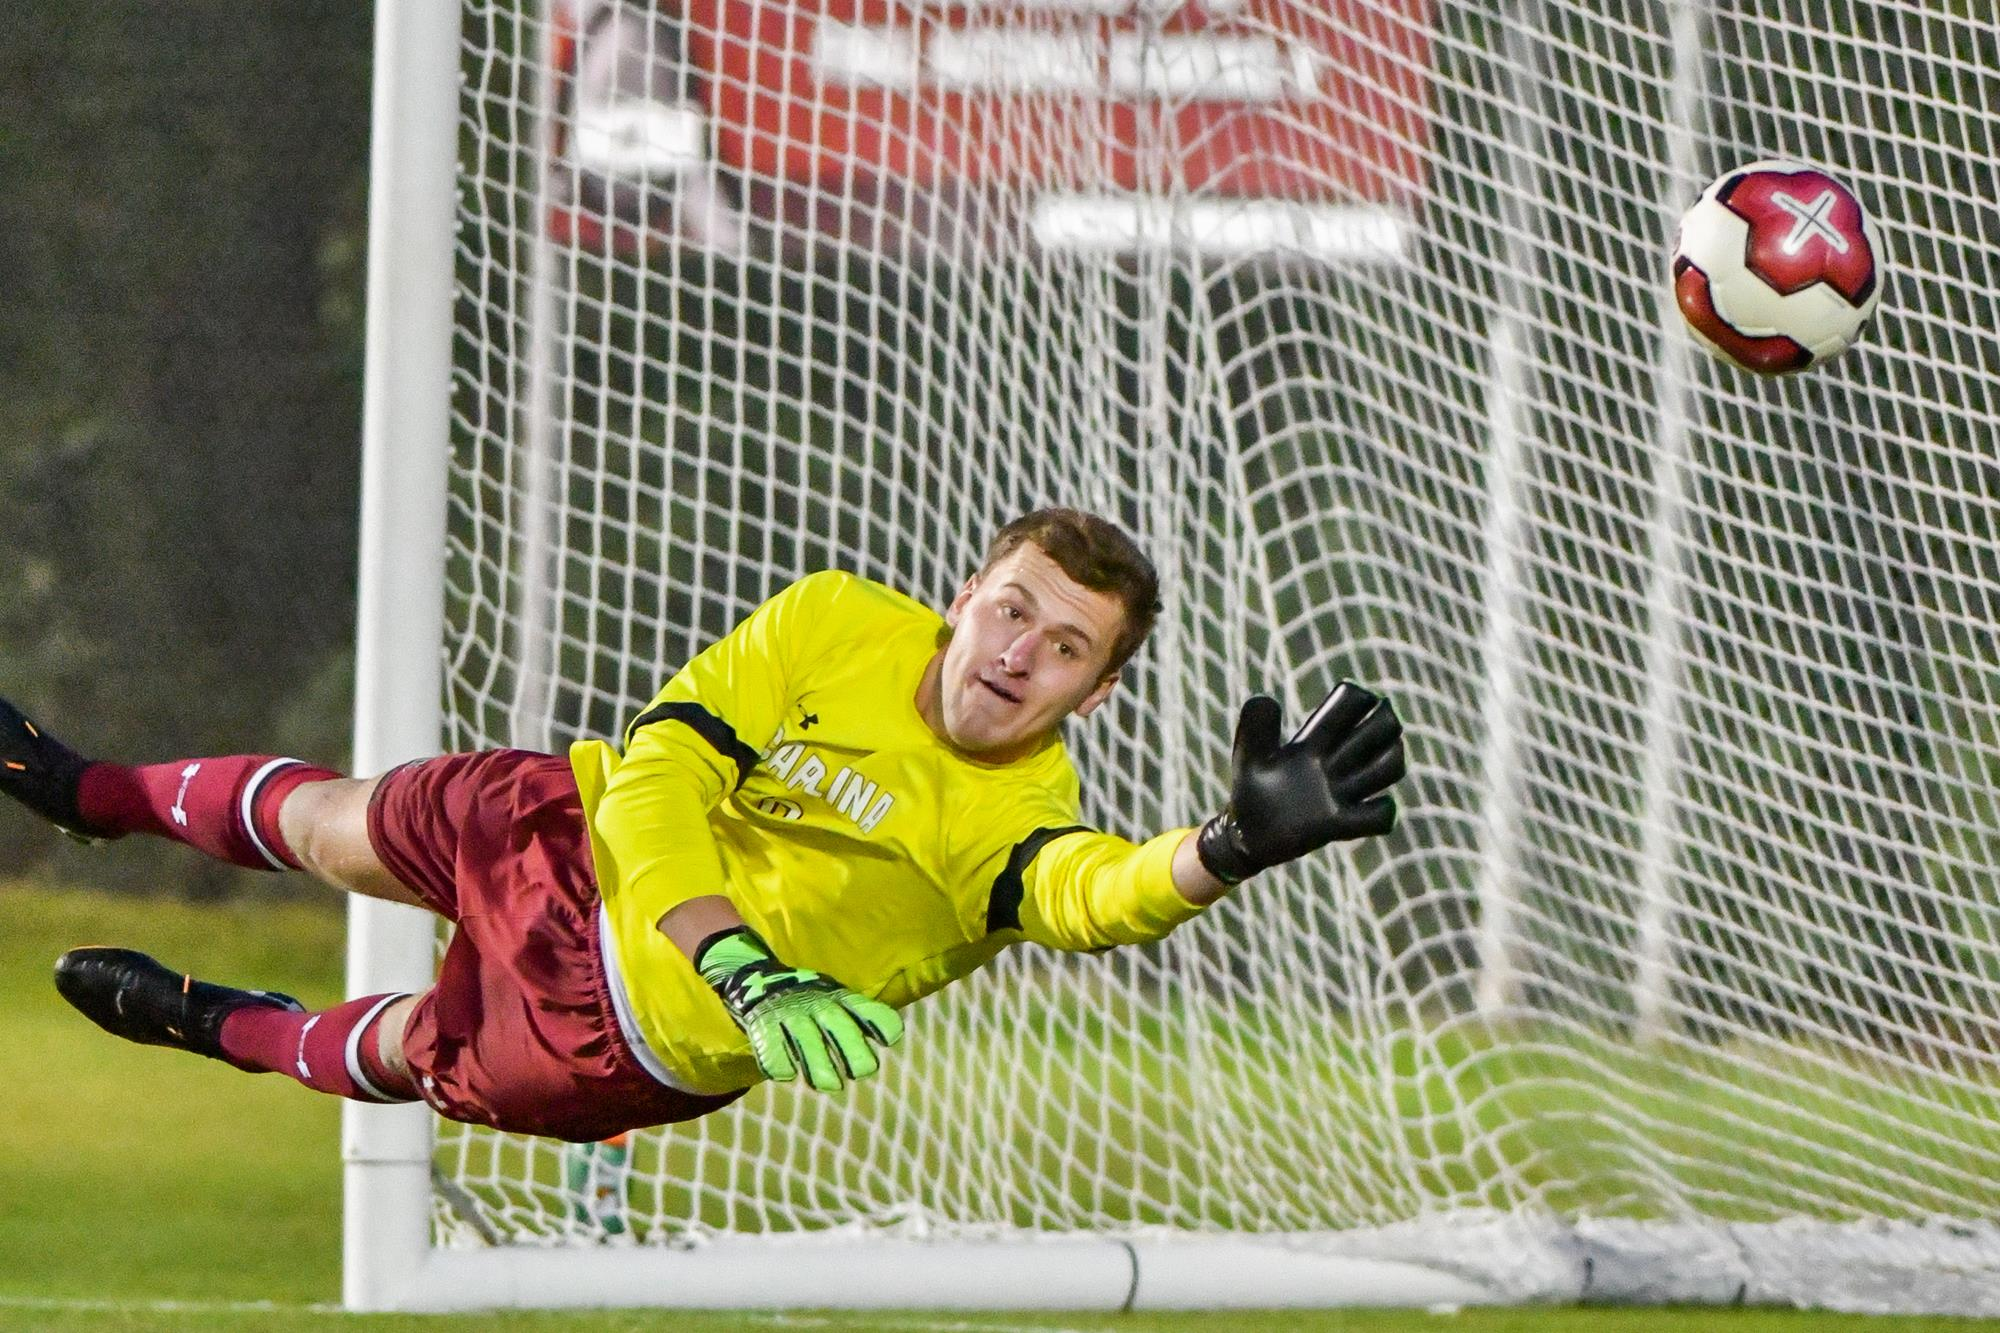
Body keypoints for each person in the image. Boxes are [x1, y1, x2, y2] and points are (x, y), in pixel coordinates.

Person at [3, 508, 1407, 1142]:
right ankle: (87, 796)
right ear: (962, 596)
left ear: (1097, 696)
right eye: (1012, 610)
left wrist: (1221, 850)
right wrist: (743, 953)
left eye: (1065, 650)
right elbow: (667, 771)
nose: (1019, 653)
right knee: (332, 820)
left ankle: (223, 1028)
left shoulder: (1017, 826)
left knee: (398, 1049)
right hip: (573, 830)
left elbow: (1093, 896)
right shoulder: (835, 618)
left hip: (618, 1035)